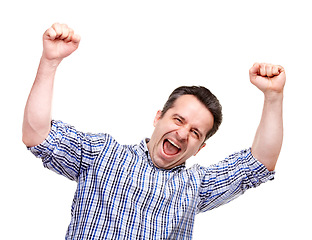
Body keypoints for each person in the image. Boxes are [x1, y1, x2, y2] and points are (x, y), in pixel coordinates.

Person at [23, 23, 285, 240]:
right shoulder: (100, 154)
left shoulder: (195, 186)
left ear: (200, 147)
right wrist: (50, 61)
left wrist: (273, 96)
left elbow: (259, 163)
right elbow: (37, 135)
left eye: (195, 133)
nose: (182, 134)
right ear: (158, 117)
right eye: (178, 119)